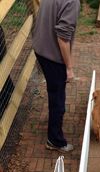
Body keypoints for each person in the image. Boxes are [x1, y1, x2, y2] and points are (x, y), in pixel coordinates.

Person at [32, 0, 80, 152]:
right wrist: (69, 67)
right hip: (52, 56)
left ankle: (53, 123)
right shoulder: (72, 2)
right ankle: (55, 140)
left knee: (54, 91)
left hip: (40, 48)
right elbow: (63, 38)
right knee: (58, 98)